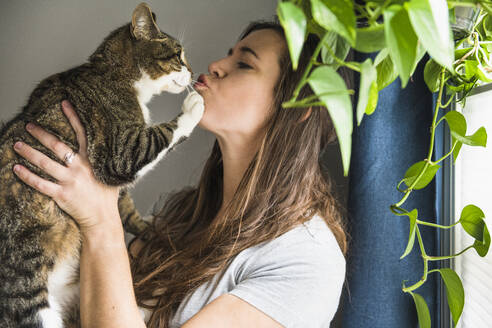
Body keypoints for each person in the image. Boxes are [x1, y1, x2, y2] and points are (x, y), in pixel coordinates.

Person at [12, 17, 349, 328]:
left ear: (300, 105)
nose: (215, 66)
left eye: (244, 64)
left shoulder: (307, 261)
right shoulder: (183, 218)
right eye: (228, 55)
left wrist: (101, 220)